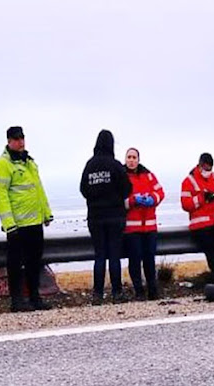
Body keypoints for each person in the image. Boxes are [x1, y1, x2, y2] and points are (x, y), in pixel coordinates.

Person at [0, 126, 53, 312]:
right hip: (17, 226)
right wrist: (9, 225)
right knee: (16, 264)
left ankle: (35, 297)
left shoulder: (29, 162)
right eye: (16, 139)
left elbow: (38, 189)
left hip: (35, 223)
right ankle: (17, 301)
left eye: (22, 138)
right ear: (9, 141)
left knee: (34, 262)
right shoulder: (3, 164)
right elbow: (0, 195)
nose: (20, 142)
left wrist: (46, 213)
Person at [80, 130, 132, 304]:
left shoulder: (90, 165)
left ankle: (98, 294)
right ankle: (117, 293)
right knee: (114, 255)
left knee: (100, 255)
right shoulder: (115, 165)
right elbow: (127, 188)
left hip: (95, 217)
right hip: (115, 216)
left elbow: (83, 189)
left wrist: (96, 199)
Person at [180, 153, 214, 283]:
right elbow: (186, 204)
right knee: (212, 254)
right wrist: (202, 198)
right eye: (205, 168)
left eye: (209, 168)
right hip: (201, 226)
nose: (207, 171)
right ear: (199, 165)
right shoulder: (188, 181)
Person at [123, 148, 165, 300]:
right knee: (135, 260)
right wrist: (133, 200)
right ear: (125, 159)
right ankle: (139, 291)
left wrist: (153, 198)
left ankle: (152, 290)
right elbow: (118, 200)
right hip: (131, 227)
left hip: (149, 226)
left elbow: (160, 192)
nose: (131, 160)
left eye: (134, 157)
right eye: (129, 157)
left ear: (138, 159)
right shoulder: (122, 176)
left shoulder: (148, 175)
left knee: (149, 259)